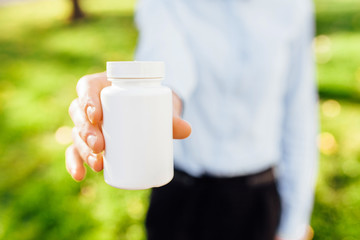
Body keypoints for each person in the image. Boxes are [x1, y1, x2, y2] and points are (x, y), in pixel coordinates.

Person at [66, 0, 318, 239]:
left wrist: (294, 224)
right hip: (180, 198)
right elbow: (167, 62)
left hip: (256, 198)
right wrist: (139, 97)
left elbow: (299, 111)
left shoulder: (292, 6)